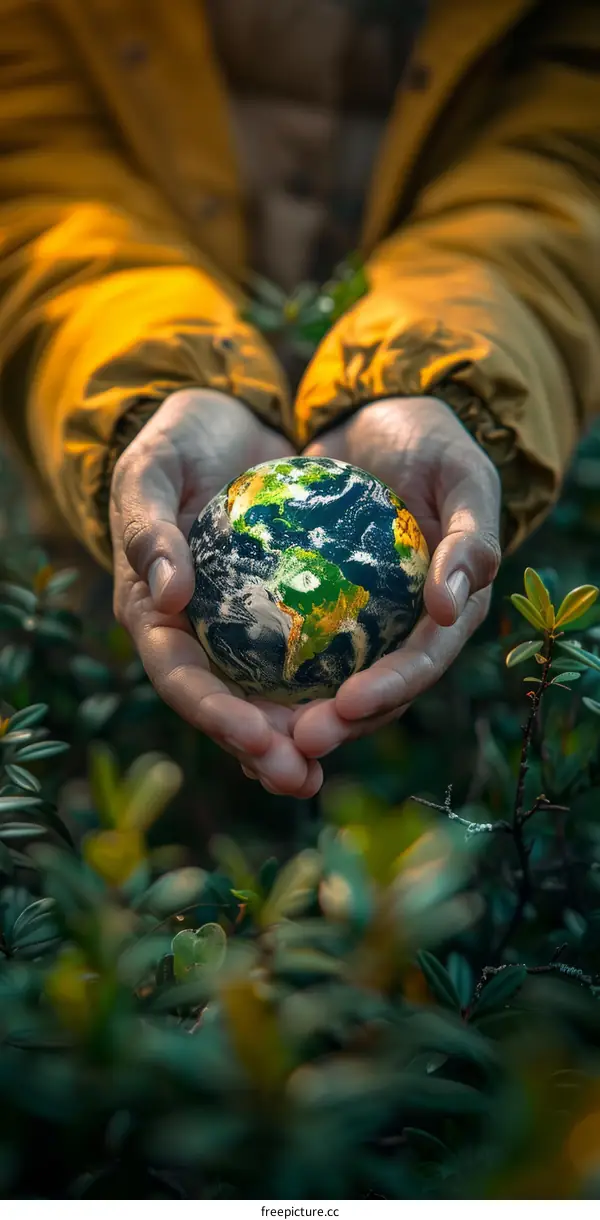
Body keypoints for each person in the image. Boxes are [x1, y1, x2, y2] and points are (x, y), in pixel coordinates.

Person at [1, 0, 599, 797]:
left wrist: (439, 376)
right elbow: (36, 176)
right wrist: (154, 386)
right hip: (107, 575)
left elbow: (563, 162)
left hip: (451, 563)